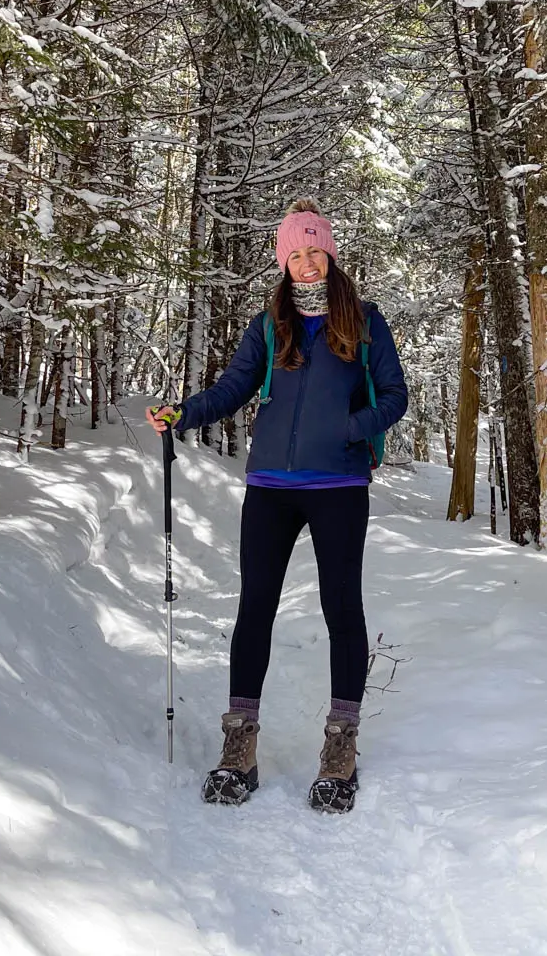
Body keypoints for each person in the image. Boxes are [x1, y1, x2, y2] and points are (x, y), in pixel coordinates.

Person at [147, 199, 408, 813]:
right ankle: (239, 746)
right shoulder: (269, 326)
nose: (306, 261)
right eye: (295, 252)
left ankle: (340, 747)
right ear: (283, 261)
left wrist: (349, 431)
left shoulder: (366, 323)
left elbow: (395, 397)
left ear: (331, 253)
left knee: (343, 609)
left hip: (339, 487)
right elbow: (235, 385)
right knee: (254, 608)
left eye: (315, 249)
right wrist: (185, 413)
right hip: (269, 486)